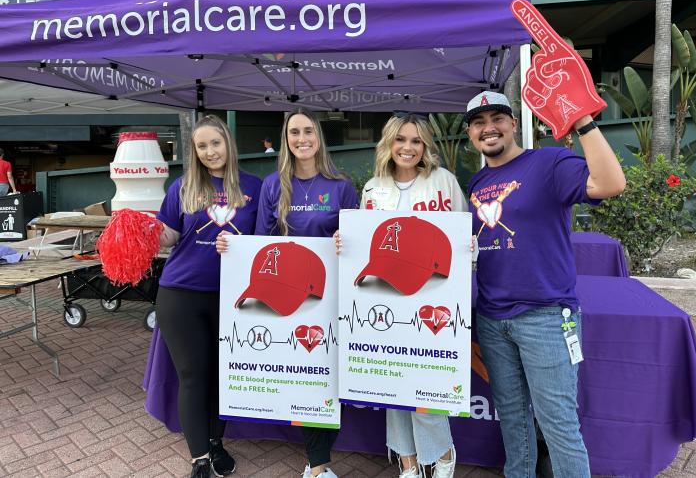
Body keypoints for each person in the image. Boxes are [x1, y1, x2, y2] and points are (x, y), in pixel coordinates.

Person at [465, 91, 625, 478]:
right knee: (514, 420)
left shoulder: (549, 161)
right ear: (470, 133)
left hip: (547, 316)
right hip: (492, 318)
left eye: (498, 118)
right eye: (479, 122)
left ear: (514, 124)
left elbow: (610, 184)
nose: (490, 128)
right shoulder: (476, 181)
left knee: (559, 425)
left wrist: (583, 121)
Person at [218, 108, 358, 478]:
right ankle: (317, 463)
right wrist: (231, 246)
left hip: (326, 294)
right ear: (286, 139)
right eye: (294, 132)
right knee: (302, 373)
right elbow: (262, 244)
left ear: (319, 137)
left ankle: (318, 464)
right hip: (283, 293)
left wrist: (349, 240)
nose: (301, 139)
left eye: (308, 131)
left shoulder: (341, 186)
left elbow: (359, 242)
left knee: (327, 374)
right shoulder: (272, 185)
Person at [359, 113, 466, 478]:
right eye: (401, 139)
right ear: (388, 143)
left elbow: (465, 242)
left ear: (426, 146)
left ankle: (442, 454)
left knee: (426, 382)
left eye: (416, 141)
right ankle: (406, 462)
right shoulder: (373, 188)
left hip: (433, 296)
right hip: (386, 300)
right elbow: (364, 246)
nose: (408, 147)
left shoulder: (444, 182)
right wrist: (347, 243)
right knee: (393, 380)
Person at [155, 115, 262, 478]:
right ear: (195, 151)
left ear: (227, 144)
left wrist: (241, 245)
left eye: (215, 143)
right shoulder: (182, 187)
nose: (210, 151)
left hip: (231, 296)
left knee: (222, 373)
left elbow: (265, 239)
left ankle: (217, 444)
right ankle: (198, 456)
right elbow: (168, 235)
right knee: (191, 374)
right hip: (180, 293)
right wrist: (142, 232)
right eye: (202, 146)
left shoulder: (255, 187)